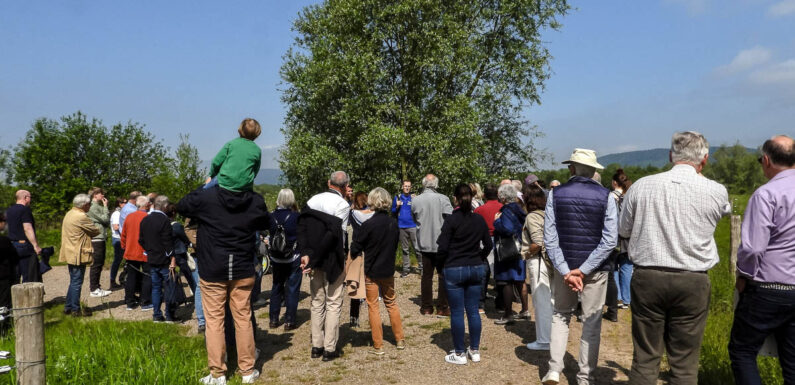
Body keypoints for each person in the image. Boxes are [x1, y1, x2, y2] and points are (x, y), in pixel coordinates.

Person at [619, 132, 730, 385]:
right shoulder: (716, 191)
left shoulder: (641, 186)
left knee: (646, 358)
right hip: (693, 280)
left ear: (671, 156)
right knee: (685, 362)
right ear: (705, 160)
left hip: (648, 276)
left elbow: (623, 230)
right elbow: (724, 212)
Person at [177, 179, 270, 385]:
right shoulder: (252, 200)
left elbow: (182, 205)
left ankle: (218, 373)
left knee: (214, 321)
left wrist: (206, 186)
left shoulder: (207, 200)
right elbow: (266, 223)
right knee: (243, 318)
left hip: (213, 267)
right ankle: (247, 370)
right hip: (242, 266)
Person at [542, 148, 618, 385]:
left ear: (572, 169)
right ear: (594, 170)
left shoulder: (555, 194)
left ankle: (554, 369)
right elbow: (610, 241)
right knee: (591, 322)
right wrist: (584, 270)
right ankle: (585, 377)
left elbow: (550, 238)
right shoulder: (607, 197)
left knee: (560, 316)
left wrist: (566, 270)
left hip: (565, 268)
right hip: (594, 271)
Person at [729, 135, 795, 384]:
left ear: (766, 160)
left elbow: (754, 248)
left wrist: (744, 275)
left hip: (767, 287)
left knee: (743, 350)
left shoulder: (766, 194)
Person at [437, 184, 492, 364]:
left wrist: (441, 267)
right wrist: (479, 257)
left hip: (454, 268)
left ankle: (459, 353)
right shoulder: (478, 219)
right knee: (473, 311)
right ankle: (474, 350)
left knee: (458, 312)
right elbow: (489, 245)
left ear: (455, 199)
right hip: (475, 267)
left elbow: (442, 247)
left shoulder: (451, 220)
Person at [298, 171, 350, 362]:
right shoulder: (342, 205)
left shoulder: (312, 200)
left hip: (313, 256)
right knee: (334, 302)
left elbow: (301, 227)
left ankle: (316, 346)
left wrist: (307, 254)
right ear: (345, 186)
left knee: (317, 301)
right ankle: (330, 348)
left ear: (329, 182)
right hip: (332, 258)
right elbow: (335, 235)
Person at [350, 187, 405, 355]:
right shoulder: (393, 224)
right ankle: (400, 339)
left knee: (373, 306)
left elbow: (355, 248)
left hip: (371, 270)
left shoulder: (368, 224)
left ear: (372, 201)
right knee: (391, 303)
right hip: (388, 269)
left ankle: (378, 345)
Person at [412, 174, 453, 317]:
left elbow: (414, 218)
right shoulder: (444, 199)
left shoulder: (415, 200)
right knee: (442, 275)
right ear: (436, 185)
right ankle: (442, 306)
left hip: (424, 242)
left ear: (424, 184)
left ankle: (426, 307)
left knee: (426, 276)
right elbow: (450, 219)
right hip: (441, 243)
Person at [521, 184, 553, 351]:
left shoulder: (532, 217)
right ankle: (551, 336)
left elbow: (538, 242)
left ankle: (544, 340)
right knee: (549, 300)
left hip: (538, 261)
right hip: (548, 262)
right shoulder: (547, 214)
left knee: (541, 302)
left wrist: (525, 253)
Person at [59, 194, 101, 317]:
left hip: (70, 250)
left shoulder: (70, 213)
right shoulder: (81, 216)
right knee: (77, 281)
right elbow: (95, 230)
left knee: (73, 281)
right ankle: (75, 310)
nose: (90, 206)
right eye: (89, 204)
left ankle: (68, 307)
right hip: (78, 252)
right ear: (84, 205)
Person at [492, 183, 529, 324]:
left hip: (508, 250)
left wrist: (496, 222)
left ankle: (508, 314)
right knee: (520, 280)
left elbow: (507, 229)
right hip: (519, 249)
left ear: (503, 197)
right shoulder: (519, 209)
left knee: (506, 281)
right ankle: (525, 310)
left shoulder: (506, 210)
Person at [139, 196, 178, 322]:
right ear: (165, 206)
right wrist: (172, 257)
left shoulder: (145, 219)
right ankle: (169, 315)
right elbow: (168, 241)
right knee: (168, 287)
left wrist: (149, 250)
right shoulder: (164, 220)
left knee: (155, 287)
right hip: (164, 259)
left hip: (152, 258)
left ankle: (156, 315)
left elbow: (141, 240)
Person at [268, 188, 302, 331]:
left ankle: (274, 319)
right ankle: (289, 320)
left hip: (276, 257)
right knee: (292, 289)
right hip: (293, 257)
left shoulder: (271, 216)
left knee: (276, 287)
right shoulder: (296, 217)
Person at [604, 169, 634, 323]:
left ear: (615, 183)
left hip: (615, 238)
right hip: (629, 238)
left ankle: (616, 298)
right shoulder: (631, 195)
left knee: (614, 268)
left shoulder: (611, 197)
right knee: (627, 268)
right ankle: (626, 299)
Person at [207, 118, 262, 192]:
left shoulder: (231, 144)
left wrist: (211, 176)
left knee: (201, 192)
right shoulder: (257, 150)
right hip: (245, 186)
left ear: (240, 130)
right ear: (257, 133)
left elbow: (216, 162)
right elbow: (255, 171)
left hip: (224, 182)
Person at [121, 196, 153, 310]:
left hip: (130, 251)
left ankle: (129, 302)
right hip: (144, 252)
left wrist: (124, 247)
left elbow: (123, 234)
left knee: (131, 276)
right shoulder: (148, 217)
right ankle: (145, 302)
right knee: (147, 275)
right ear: (146, 205)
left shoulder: (129, 217)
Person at [474, 184, 502, 312]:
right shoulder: (503, 208)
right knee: (500, 272)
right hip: (500, 240)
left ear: (484, 195)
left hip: (484, 241)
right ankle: (501, 303)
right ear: (498, 194)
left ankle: (480, 303)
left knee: (483, 272)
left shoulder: (479, 210)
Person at [348, 191, 373, 327]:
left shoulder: (352, 214)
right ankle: (372, 317)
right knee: (371, 285)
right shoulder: (373, 215)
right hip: (370, 252)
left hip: (357, 252)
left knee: (356, 284)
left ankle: (353, 318)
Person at [7, 190, 42, 283]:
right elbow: (27, 228)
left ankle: (14, 296)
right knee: (29, 274)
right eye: (30, 197)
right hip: (24, 245)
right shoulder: (25, 210)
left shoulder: (9, 210)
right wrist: (35, 245)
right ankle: (27, 296)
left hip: (12, 244)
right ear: (25, 197)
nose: (30, 200)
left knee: (15, 275)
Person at [86, 187, 111, 297]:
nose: (103, 195)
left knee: (99, 263)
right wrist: (106, 207)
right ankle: (94, 289)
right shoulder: (92, 207)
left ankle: (97, 287)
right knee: (96, 264)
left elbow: (105, 221)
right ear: (95, 195)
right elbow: (105, 220)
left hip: (100, 237)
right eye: (101, 193)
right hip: (96, 238)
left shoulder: (97, 206)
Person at [391, 180, 419, 278]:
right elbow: (393, 211)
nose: (407, 188)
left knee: (417, 248)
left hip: (413, 226)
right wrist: (397, 205)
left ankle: (422, 267)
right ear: (402, 187)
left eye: (409, 186)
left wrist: (416, 201)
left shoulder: (414, 198)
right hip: (401, 226)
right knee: (405, 250)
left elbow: (419, 210)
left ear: (411, 187)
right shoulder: (398, 197)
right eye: (405, 186)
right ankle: (406, 269)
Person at [0, 213, 18, 310]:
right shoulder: (4, 241)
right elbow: (14, 257)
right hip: (3, 275)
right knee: (4, 301)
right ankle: (5, 323)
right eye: (4, 222)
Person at [109, 197, 126, 289]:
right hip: (118, 239)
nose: (126, 204)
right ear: (119, 204)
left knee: (121, 260)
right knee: (117, 260)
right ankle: (112, 281)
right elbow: (116, 227)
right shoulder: (116, 214)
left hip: (121, 239)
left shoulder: (121, 213)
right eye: (124, 202)